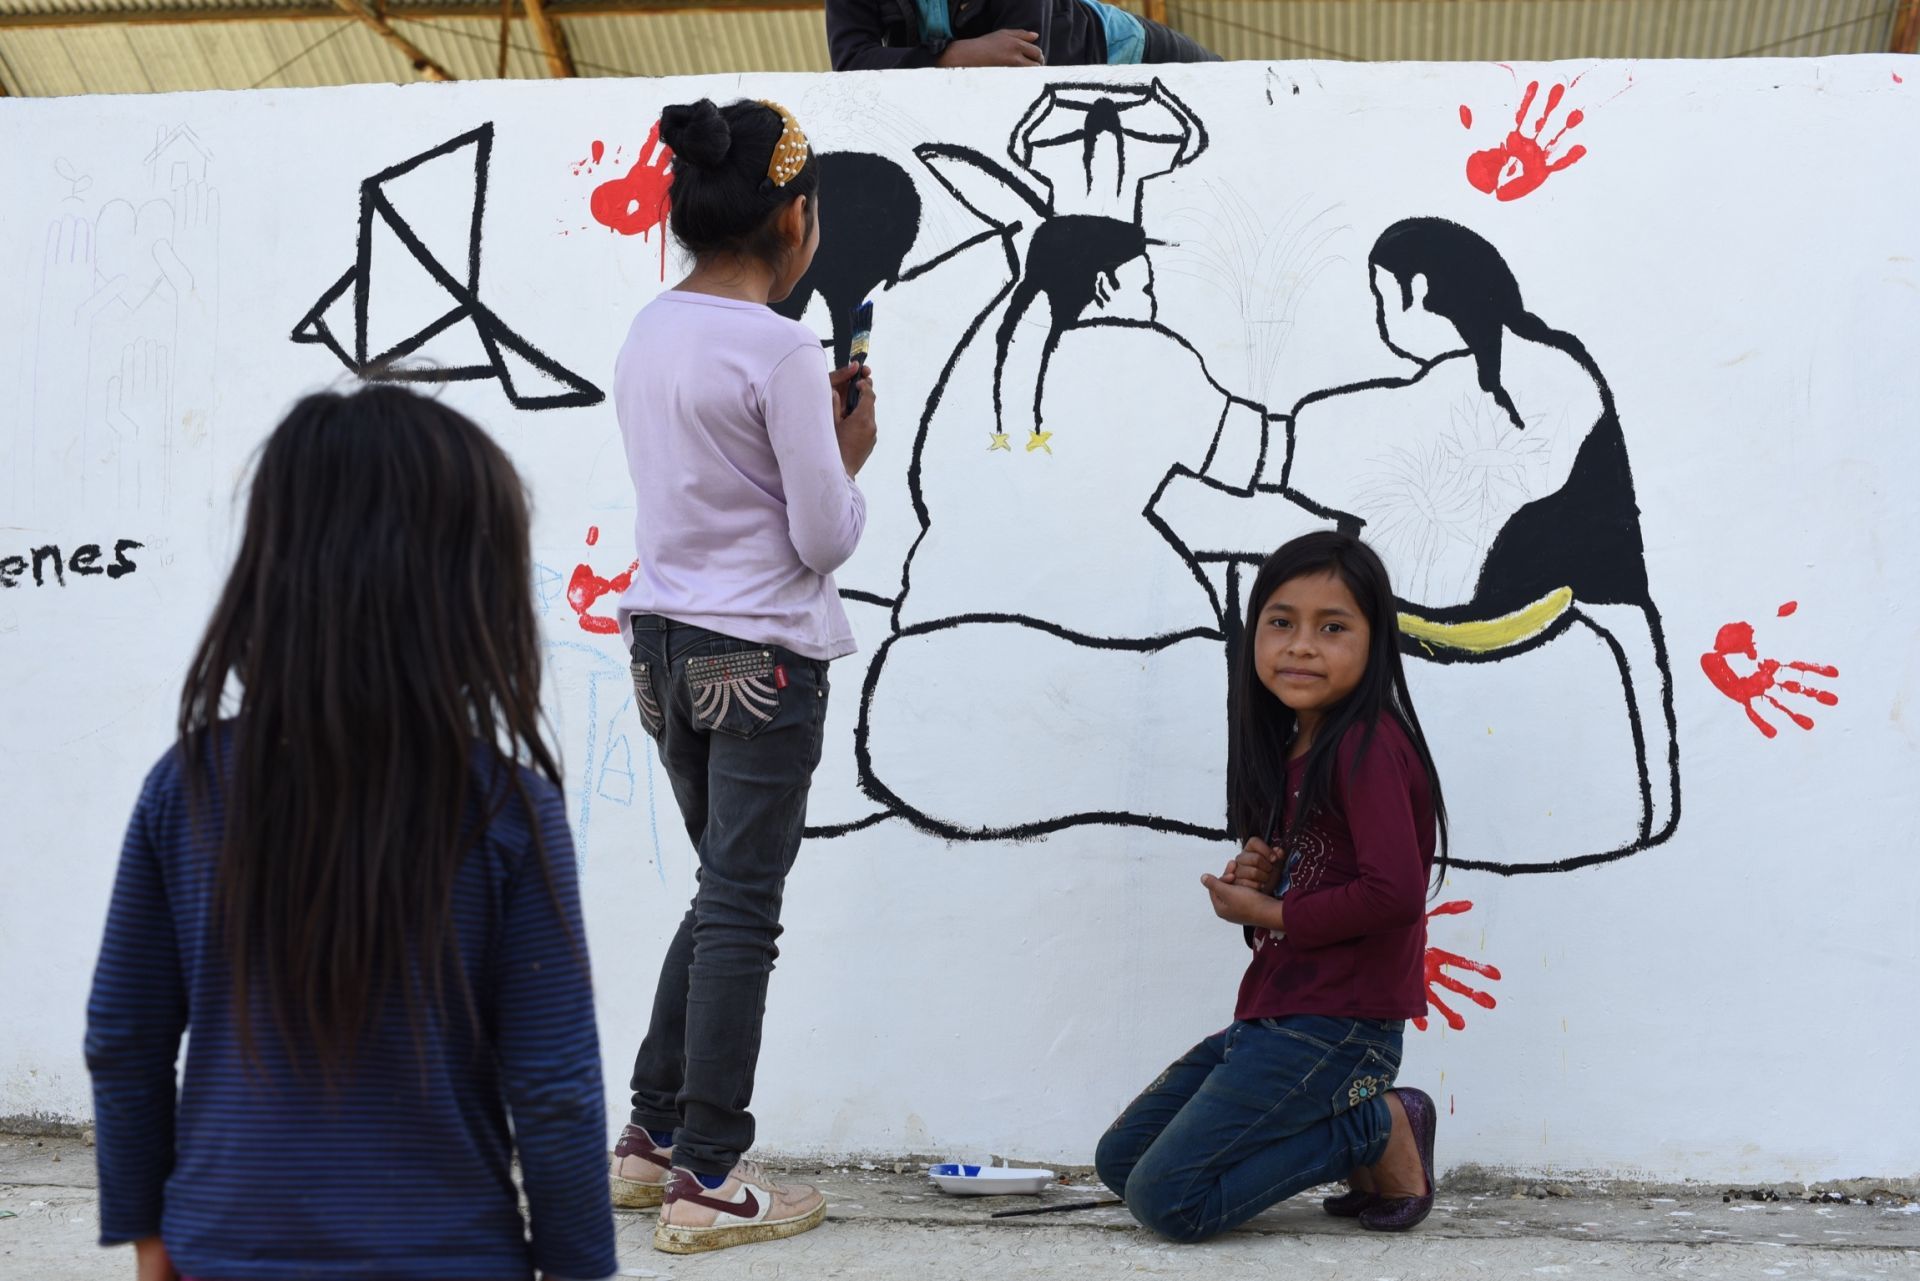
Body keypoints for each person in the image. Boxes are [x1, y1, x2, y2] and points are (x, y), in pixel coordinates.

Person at [84, 386, 616, 1281]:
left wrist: (148, 1234)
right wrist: (578, 1268)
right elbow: (555, 1087)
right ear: (467, 593)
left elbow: (123, 1034)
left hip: (223, 1251)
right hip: (449, 1256)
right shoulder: (507, 808)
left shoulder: (186, 787)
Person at [606, 97, 876, 1255]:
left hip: (664, 651)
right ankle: (710, 1175)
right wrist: (850, 452)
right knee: (742, 911)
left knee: (720, 892)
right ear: (797, 221)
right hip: (761, 658)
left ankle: (652, 1139)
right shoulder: (781, 346)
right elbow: (824, 536)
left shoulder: (648, 330)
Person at [1093, 531, 1447, 1243]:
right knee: (1121, 1160)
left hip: (1342, 1026)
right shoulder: (1299, 744)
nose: (1301, 645)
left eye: (1333, 627)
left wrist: (1271, 908)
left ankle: (1375, 1128)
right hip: (1280, 1013)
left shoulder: (1367, 742)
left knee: (1170, 1201)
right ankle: (1353, 1125)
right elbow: (1326, 881)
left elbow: (1395, 894)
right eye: (1281, 622)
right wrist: (1262, 886)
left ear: (1374, 643)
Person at [827, 0, 1219, 70]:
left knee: (1241, 86)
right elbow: (852, 61)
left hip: (1116, 49)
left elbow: (1024, 55)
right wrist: (955, 54)